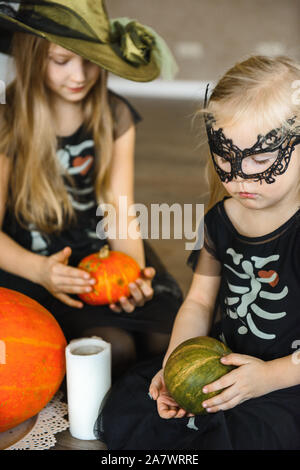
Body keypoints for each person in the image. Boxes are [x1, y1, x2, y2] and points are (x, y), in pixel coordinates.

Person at [98, 55, 300, 449]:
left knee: (258, 436)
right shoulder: (217, 221)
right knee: (136, 407)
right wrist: (177, 370)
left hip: (287, 378)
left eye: (260, 159)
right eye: (225, 158)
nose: (239, 177)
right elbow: (198, 304)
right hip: (221, 365)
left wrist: (269, 377)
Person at [0, 0, 182, 380]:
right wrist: (41, 271)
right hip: (34, 259)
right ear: (33, 57)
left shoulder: (115, 115)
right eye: (62, 60)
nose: (79, 74)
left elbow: (119, 212)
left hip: (96, 248)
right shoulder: (7, 121)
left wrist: (130, 275)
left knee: (164, 340)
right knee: (112, 348)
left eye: (90, 60)